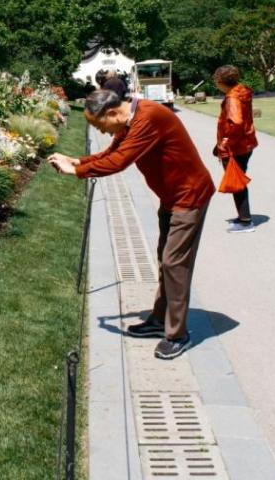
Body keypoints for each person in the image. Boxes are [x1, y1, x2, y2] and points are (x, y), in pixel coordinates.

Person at [48, 90, 214, 359]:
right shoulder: (130, 120)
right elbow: (113, 151)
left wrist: (77, 171)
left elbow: (120, 161)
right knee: (166, 259)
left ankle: (178, 334)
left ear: (112, 112)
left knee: (174, 263)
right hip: (171, 197)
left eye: (100, 125)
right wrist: (78, 161)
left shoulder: (148, 118)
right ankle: (160, 321)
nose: (101, 131)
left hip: (190, 196)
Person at [212, 65, 258, 233]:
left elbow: (236, 122)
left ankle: (246, 222)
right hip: (246, 143)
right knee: (238, 180)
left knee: (236, 182)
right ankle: (243, 217)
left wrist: (224, 142)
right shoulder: (242, 91)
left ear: (221, 81)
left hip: (236, 147)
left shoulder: (232, 98)